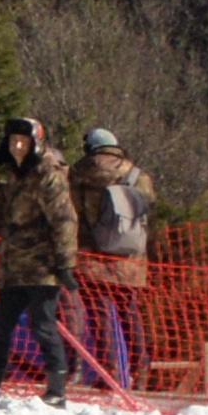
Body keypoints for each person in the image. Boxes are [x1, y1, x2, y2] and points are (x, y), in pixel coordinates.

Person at [0, 117, 78, 406]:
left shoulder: (47, 174)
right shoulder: (17, 174)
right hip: (14, 265)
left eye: (24, 141)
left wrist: (65, 262)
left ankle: (57, 390)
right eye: (13, 141)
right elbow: (12, 205)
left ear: (36, 143)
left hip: (43, 265)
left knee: (43, 324)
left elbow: (64, 219)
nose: (17, 146)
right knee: (0, 327)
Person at [76, 129, 156, 392]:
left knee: (98, 316)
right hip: (129, 258)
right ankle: (140, 370)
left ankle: (107, 372)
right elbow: (148, 207)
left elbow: (71, 211)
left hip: (93, 256)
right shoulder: (137, 175)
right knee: (129, 313)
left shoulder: (78, 173)